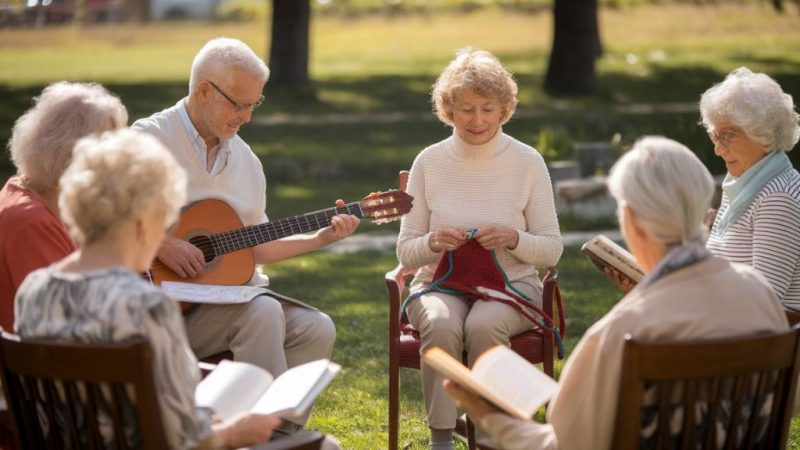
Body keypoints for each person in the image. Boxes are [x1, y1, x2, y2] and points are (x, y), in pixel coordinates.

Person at [442, 136, 790, 450]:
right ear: (702, 207)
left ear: (631, 221)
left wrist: (492, 414)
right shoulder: (758, 294)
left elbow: (564, 447)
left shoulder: (619, 335)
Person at [131, 37, 359, 431]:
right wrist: (161, 243)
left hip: (224, 300)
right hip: (160, 310)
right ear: (204, 90)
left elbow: (256, 245)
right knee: (263, 311)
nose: (247, 116)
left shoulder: (246, 162)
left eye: (254, 104)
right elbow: (101, 218)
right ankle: (254, 436)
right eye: (238, 104)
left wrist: (319, 238)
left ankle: (281, 433)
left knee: (317, 327)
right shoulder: (146, 141)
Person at [14, 129, 280, 450]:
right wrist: (235, 433)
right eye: (166, 224)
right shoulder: (144, 306)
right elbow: (182, 439)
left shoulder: (34, 290)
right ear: (142, 223)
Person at [396, 48, 563, 450]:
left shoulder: (528, 161)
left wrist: (513, 239)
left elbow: (552, 250)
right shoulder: (429, 161)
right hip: (438, 285)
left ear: (504, 109)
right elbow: (406, 251)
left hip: (511, 287)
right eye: (466, 108)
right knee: (441, 322)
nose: (477, 120)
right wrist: (433, 242)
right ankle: (441, 437)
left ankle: (490, 436)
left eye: (487, 108)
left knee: (484, 324)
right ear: (448, 109)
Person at [0, 81, 127, 331]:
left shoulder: (41, 196)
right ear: (68, 153)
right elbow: (70, 322)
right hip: (63, 364)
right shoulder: (31, 222)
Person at [700, 67, 800, 311]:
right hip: (733, 332)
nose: (718, 149)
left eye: (728, 136)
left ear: (762, 134)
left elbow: (763, 302)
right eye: (715, 136)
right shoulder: (745, 183)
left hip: (759, 343)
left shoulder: (779, 196)